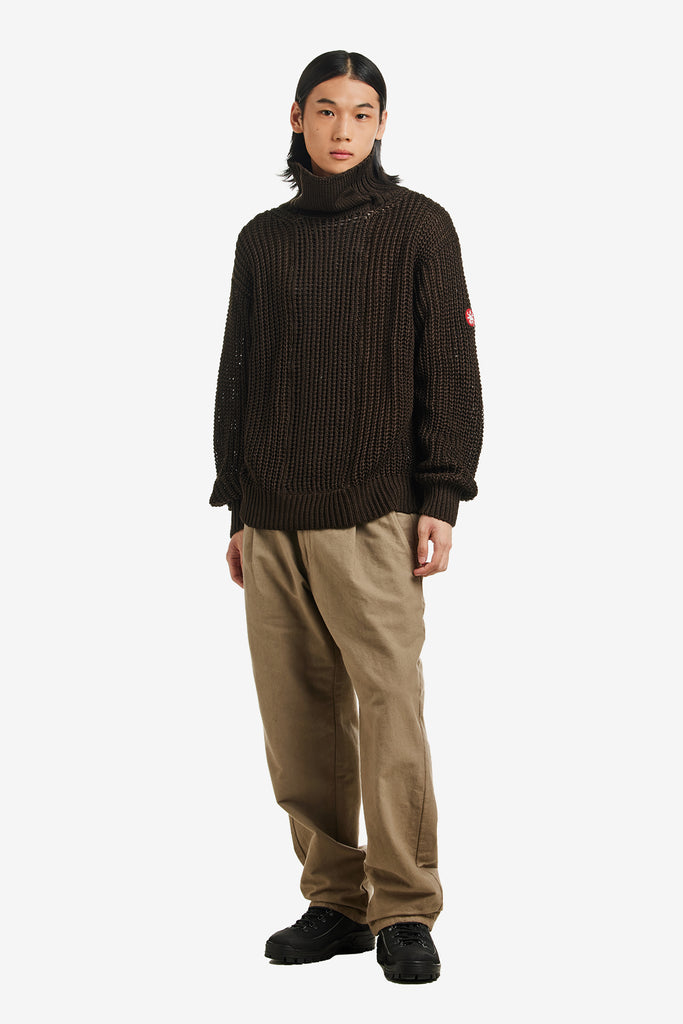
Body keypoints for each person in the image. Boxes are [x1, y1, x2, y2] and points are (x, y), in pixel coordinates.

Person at [209, 49, 484, 985]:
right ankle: (334, 900)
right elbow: (238, 372)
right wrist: (237, 505)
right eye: (325, 110)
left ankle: (404, 906)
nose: (342, 129)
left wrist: (441, 495)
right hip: (271, 515)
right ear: (296, 118)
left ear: (381, 125)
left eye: (361, 113)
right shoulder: (262, 239)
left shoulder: (417, 226)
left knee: (389, 708)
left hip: (374, 509)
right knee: (297, 721)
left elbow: (450, 367)